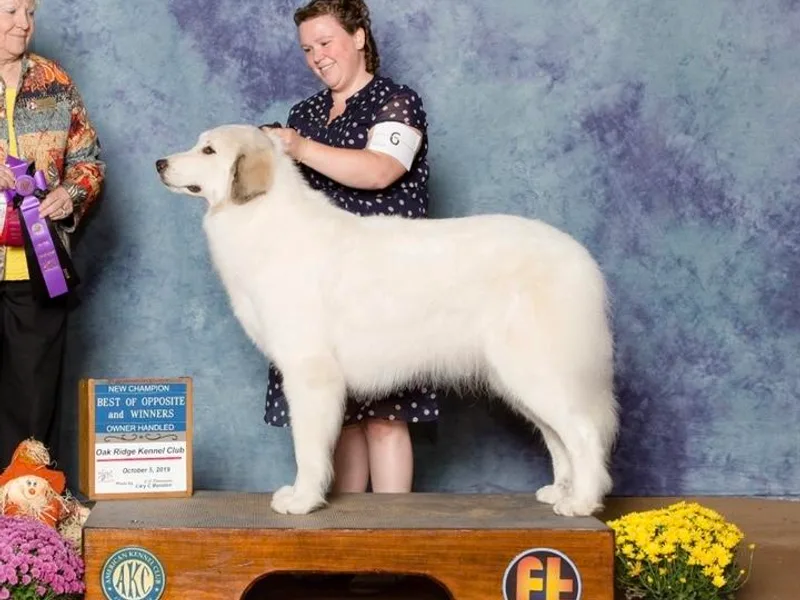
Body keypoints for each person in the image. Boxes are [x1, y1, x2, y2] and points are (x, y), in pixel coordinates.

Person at [262, 0, 439, 497]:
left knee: (386, 416)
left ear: (359, 37)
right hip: (318, 283)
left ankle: (394, 534)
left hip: (385, 278)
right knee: (336, 414)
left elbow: (381, 170)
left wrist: (298, 148)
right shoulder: (305, 113)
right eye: (307, 49)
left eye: (325, 42)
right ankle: (347, 536)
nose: (316, 56)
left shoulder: (397, 101)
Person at [0, 0, 105, 470]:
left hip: (40, 270)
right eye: (11, 11)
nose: (24, 23)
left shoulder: (54, 80)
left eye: (30, 12)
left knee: (34, 407)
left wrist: (71, 193)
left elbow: (89, 161)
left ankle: (32, 509)